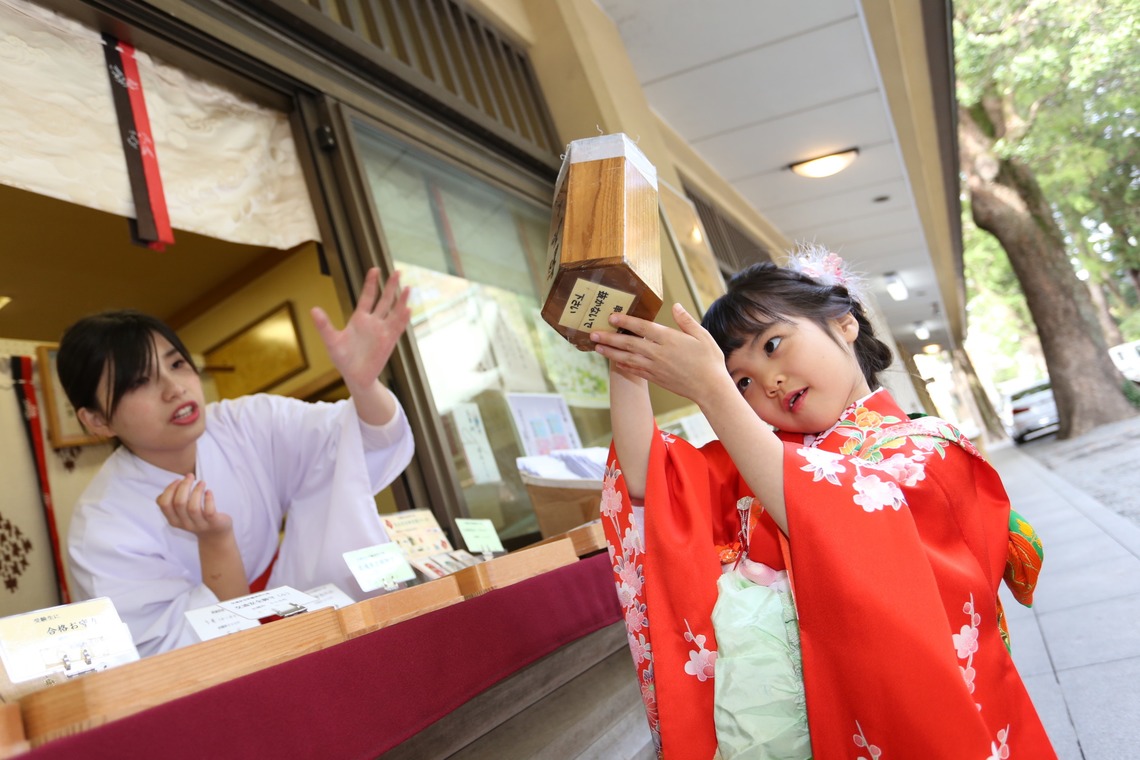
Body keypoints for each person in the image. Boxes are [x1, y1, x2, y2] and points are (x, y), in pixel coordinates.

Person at [589, 247, 1054, 759]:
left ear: (843, 322)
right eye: (741, 380)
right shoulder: (760, 458)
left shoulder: (927, 447)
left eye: (774, 344)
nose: (768, 381)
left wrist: (714, 393)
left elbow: (839, 519)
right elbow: (649, 482)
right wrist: (625, 359)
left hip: (896, 718)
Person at [59, 268, 415, 656]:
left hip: (309, 614)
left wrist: (364, 386)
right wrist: (216, 543)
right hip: (228, 663)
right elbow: (163, 653)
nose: (175, 389)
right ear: (96, 420)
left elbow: (358, 440)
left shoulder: (245, 423)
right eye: (139, 382)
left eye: (177, 364)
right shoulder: (103, 526)